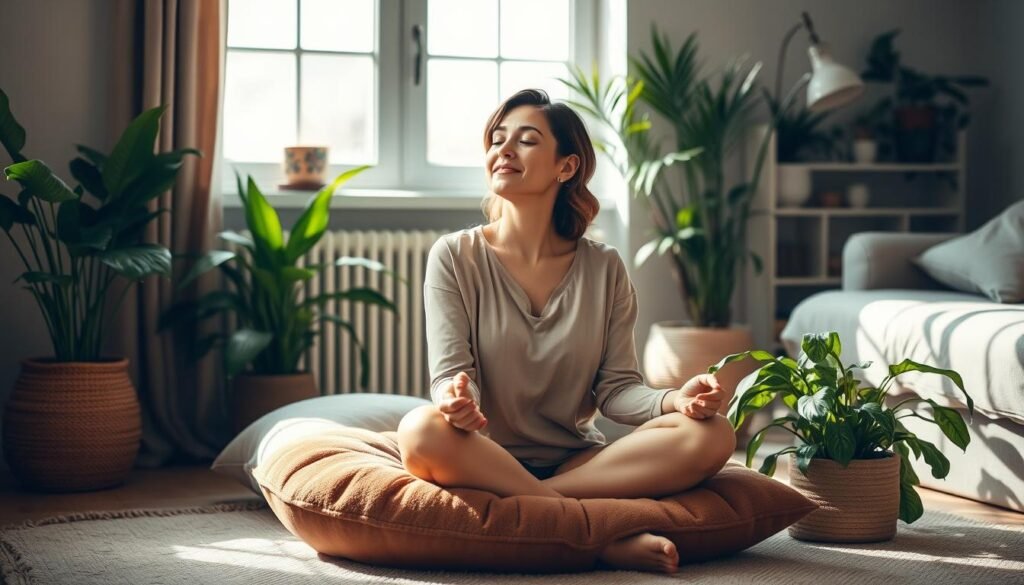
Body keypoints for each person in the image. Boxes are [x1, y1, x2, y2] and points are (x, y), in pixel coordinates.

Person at [397, 89, 736, 574]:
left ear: (566, 167)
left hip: (578, 465)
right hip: (481, 458)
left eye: (527, 140)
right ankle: (594, 535)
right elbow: (450, 375)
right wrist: (458, 399)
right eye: (497, 139)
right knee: (420, 430)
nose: (504, 150)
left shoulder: (605, 267)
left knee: (713, 435)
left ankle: (546, 513)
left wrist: (673, 401)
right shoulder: (454, 256)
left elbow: (617, 391)